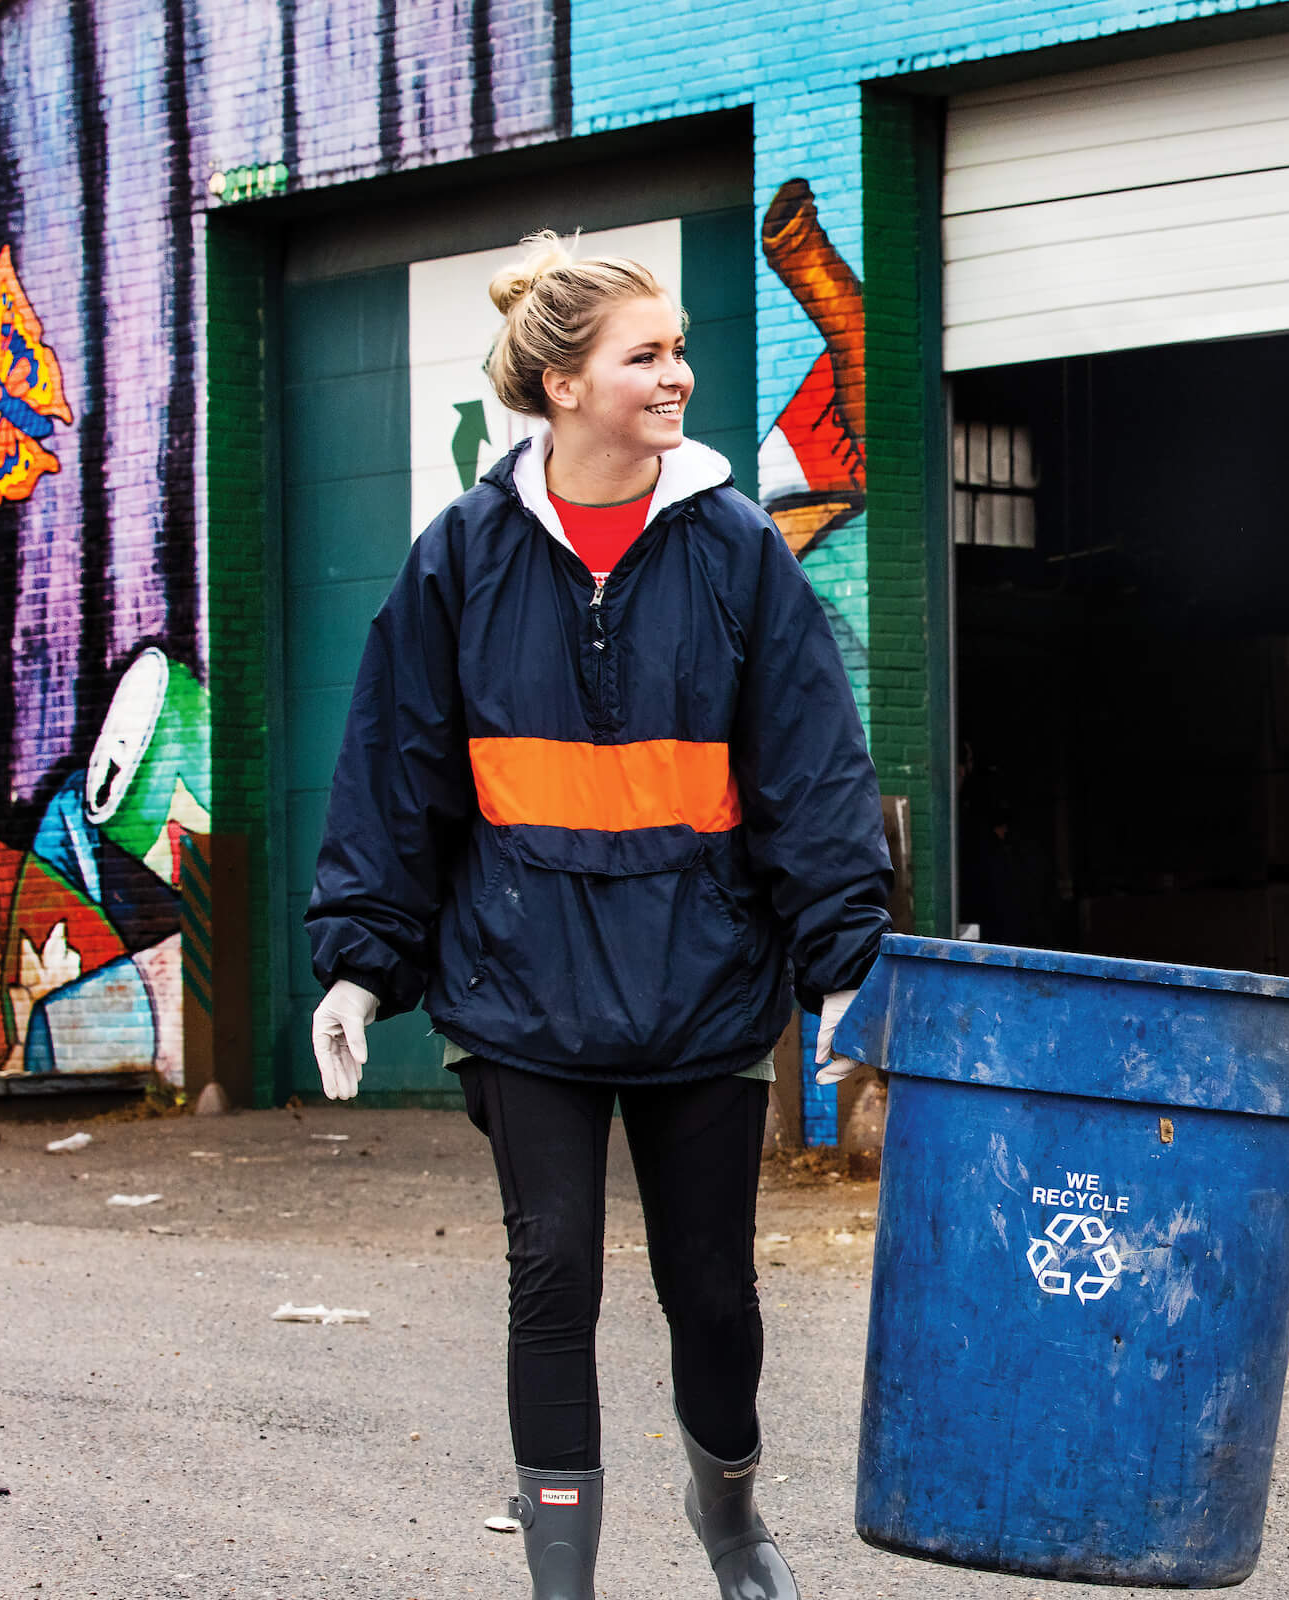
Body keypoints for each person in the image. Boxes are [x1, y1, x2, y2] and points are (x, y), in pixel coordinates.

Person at [304, 232, 890, 1600]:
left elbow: (811, 764)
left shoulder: (739, 552)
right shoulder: (460, 556)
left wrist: (847, 963)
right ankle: (559, 1580)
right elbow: (397, 763)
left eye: (679, 350)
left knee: (714, 1290)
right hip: (522, 985)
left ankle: (731, 1519)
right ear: (565, 385)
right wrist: (359, 961)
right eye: (649, 355)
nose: (680, 376)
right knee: (552, 1272)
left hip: (701, 983)